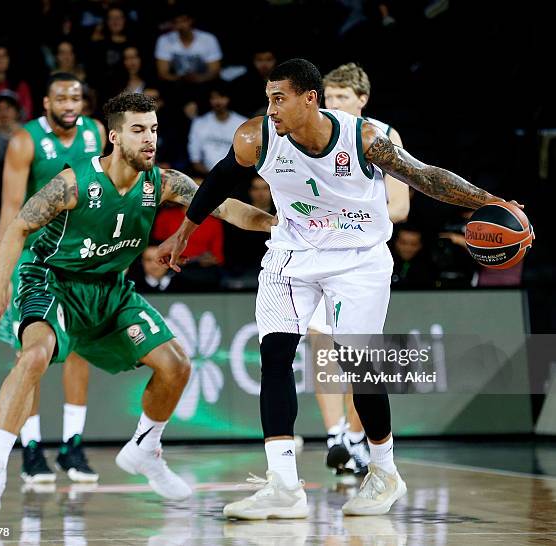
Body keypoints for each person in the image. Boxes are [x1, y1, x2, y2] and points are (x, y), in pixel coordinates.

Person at [157, 58, 522, 519]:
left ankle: (385, 472)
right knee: (275, 355)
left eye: (279, 98)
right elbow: (217, 182)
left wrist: (488, 200)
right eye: (268, 98)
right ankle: (284, 484)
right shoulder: (258, 137)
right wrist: (183, 233)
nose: (271, 109)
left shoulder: (364, 138)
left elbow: (425, 176)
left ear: (309, 99)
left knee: (357, 363)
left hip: (358, 258)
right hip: (291, 255)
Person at [0, 91, 275, 511]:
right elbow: (18, 227)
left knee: (177, 365)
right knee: (34, 356)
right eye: (138, 130)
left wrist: (277, 224)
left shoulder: (163, 182)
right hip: (53, 282)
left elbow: (225, 208)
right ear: (114, 137)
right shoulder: (73, 183)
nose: (149, 139)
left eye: (153, 129)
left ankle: (145, 448)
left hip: (111, 289)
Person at [0, 73, 106, 485]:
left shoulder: (96, 133)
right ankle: (31, 448)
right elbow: (10, 211)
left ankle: (72, 445)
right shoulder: (25, 141)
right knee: (33, 353)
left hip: (81, 256)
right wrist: (0, 276)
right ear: (45, 102)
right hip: (35, 260)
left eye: (76, 97)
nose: (69, 104)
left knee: (78, 350)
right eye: (61, 97)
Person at [309, 62, 409, 476]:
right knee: (319, 341)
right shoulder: (311, 132)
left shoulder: (382, 135)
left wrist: (351, 220)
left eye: (342, 98)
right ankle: (335, 436)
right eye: (328, 98)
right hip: (317, 253)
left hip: (361, 256)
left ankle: (356, 437)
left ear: (362, 100)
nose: (333, 105)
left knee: (356, 351)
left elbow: (400, 206)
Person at [187, 81, 247, 175]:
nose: (218, 101)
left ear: (229, 98)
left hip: (236, 177)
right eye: (214, 98)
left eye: (222, 97)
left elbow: (247, 157)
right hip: (205, 177)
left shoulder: (243, 123)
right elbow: (195, 158)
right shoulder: (199, 123)